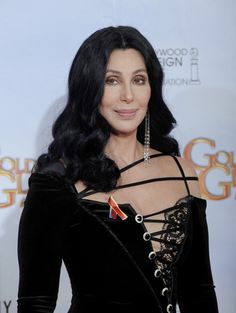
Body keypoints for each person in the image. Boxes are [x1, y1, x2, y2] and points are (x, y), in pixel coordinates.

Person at [17, 26, 218, 313]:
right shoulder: (56, 181)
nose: (127, 95)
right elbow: (35, 303)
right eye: (112, 81)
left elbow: (199, 294)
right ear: (90, 89)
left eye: (138, 80)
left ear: (152, 88)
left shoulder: (182, 172)